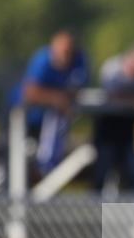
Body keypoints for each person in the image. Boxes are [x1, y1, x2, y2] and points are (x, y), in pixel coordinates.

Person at [10, 31, 89, 174]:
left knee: (47, 162)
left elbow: (77, 89)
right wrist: (57, 99)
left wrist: (65, 100)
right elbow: (30, 92)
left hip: (51, 122)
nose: (66, 55)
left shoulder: (78, 60)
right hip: (21, 118)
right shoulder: (43, 60)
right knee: (14, 166)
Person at [92, 48, 134, 194]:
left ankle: (130, 214)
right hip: (106, 132)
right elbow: (111, 96)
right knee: (101, 174)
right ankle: (94, 214)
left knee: (131, 176)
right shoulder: (111, 69)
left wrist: (126, 99)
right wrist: (130, 100)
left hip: (127, 133)